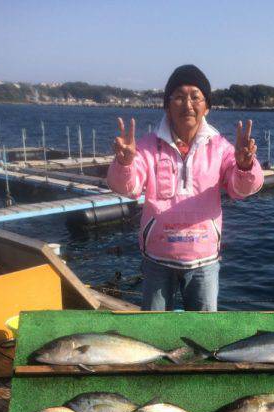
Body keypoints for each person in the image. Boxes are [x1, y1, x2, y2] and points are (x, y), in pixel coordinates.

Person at [107, 64, 264, 311]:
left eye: (195, 97)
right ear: (167, 105)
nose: (187, 104)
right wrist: (124, 162)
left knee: (204, 333)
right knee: (154, 331)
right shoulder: (147, 147)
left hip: (204, 260)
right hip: (157, 259)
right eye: (179, 96)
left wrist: (245, 166)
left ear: (207, 106)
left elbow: (240, 190)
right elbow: (128, 188)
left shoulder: (220, 147)